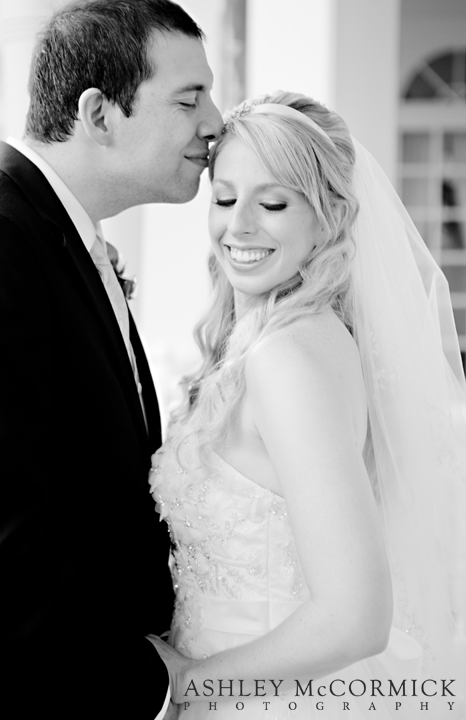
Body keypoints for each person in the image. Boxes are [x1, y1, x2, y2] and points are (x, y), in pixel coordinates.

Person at [148, 92, 466, 718]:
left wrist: (189, 685)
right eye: (224, 199)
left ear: (328, 218)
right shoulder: (298, 336)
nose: (239, 226)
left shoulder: (285, 357)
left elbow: (356, 618)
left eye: (272, 204)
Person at [0, 1, 222, 718]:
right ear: (98, 113)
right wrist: (144, 683)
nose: (214, 122)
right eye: (189, 99)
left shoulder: (55, 235)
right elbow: (0, 535)